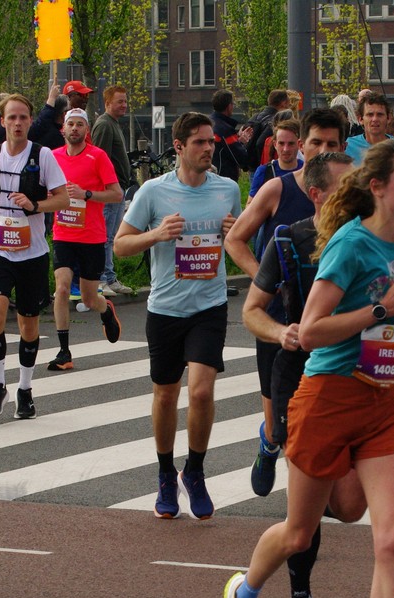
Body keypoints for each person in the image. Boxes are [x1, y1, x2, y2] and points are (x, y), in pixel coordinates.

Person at [212, 139, 394, 598]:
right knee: (300, 532)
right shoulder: (349, 243)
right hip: (328, 397)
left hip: (386, 400)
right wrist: (379, 310)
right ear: (379, 187)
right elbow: (313, 330)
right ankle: (244, 595)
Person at [242, 151, 355, 598]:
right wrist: (280, 332)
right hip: (300, 376)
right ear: (317, 195)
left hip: (355, 378)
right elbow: (252, 310)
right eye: (346, 187)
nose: (359, 194)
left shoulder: (374, 237)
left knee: (349, 507)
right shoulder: (289, 239)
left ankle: (313, 487)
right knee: (303, 519)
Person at [114, 112, 241, 520]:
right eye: (200, 142)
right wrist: (156, 234)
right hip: (166, 308)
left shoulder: (227, 189)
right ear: (179, 147)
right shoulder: (154, 191)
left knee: (201, 392)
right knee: (167, 394)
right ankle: (166, 474)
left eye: (211, 142)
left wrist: (235, 232)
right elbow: (120, 246)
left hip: (209, 306)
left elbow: (238, 239)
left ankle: (195, 471)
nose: (208, 148)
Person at [225, 108, 348, 497]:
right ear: (302, 145)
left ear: (343, 147)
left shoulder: (351, 198)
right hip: (281, 322)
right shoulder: (277, 189)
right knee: (281, 423)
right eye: (316, 142)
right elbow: (235, 239)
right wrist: (267, 280)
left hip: (333, 326)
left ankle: (308, 504)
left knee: (316, 424)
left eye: (332, 144)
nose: (323, 150)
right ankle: (269, 443)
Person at [0, 93, 69, 419]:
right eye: (12, 117)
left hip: (32, 252)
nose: (18, 123)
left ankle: (24, 389)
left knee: (28, 324)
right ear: (2, 121)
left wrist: (35, 205)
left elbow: (62, 199)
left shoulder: (42, 155)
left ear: (30, 121)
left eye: (23, 117)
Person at [46, 108, 124, 370]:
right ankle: (64, 352)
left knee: (89, 299)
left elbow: (117, 194)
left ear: (87, 130)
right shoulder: (53, 157)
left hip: (91, 236)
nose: (75, 128)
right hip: (63, 234)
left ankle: (105, 310)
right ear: (63, 129)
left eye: (80, 124)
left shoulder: (98, 156)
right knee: (61, 289)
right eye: (71, 124)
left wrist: (86, 194)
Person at [91, 85, 134, 296]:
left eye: (125, 101)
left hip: (118, 189)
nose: (124, 105)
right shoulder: (104, 125)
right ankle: (100, 279)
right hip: (110, 190)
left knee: (111, 236)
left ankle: (109, 276)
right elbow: (100, 158)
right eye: (119, 101)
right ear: (107, 103)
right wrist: (107, 186)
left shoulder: (114, 124)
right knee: (105, 236)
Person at [248, 118, 303, 200]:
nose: (285, 149)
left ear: (299, 144)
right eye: (281, 143)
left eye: (291, 144)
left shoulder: (307, 170)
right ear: (275, 144)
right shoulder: (264, 172)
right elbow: (250, 204)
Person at [209, 89, 254, 182]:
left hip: (209, 176)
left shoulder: (209, 123)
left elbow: (223, 147)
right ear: (229, 106)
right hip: (223, 179)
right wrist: (242, 143)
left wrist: (237, 139)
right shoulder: (225, 129)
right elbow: (240, 158)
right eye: (232, 104)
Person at [247, 89, 292, 167]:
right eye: (288, 104)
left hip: (251, 165)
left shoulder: (255, 117)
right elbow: (260, 143)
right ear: (283, 103)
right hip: (263, 166)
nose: (289, 107)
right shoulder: (274, 122)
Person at [344, 92, 391, 165]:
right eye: (370, 115)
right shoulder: (347, 147)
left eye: (380, 114)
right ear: (360, 119)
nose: (375, 119)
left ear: (388, 118)